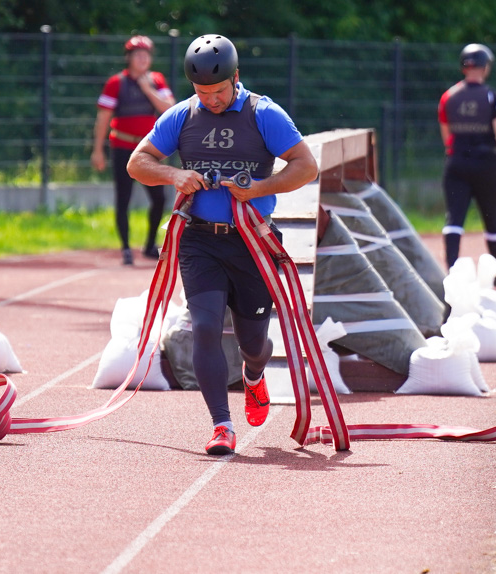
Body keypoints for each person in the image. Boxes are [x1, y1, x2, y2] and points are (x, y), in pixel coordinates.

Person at [128, 34, 318, 455]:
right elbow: (137, 162)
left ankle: (253, 375)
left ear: (236, 77)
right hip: (200, 243)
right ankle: (221, 425)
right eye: (201, 93)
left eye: (218, 92)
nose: (210, 100)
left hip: (252, 241)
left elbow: (307, 165)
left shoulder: (263, 113)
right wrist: (175, 176)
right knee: (205, 328)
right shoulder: (181, 116)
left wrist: (262, 187)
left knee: (253, 343)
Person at [438, 43, 496, 287]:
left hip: (456, 163)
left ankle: (452, 273)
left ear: (464, 66)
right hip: (486, 164)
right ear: (486, 67)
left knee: (454, 218)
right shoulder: (494, 98)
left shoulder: (448, 97)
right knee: (492, 219)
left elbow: (447, 135)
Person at [92, 35, 176, 265]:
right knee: (124, 198)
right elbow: (103, 118)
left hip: (149, 150)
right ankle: (126, 248)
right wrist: (97, 150)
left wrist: (147, 88)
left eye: (146, 54)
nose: (142, 58)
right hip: (122, 146)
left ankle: (150, 245)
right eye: (137, 54)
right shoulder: (116, 82)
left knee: (159, 198)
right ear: (128, 57)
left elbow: (170, 109)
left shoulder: (156, 80)